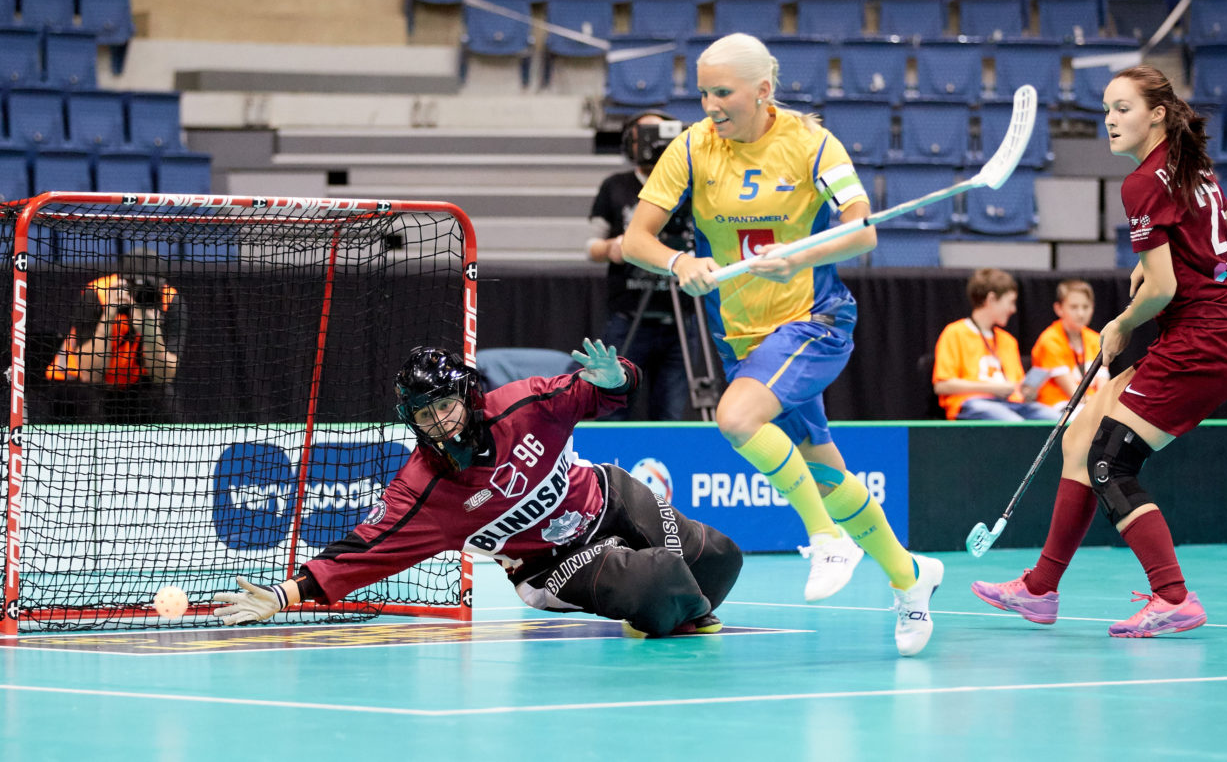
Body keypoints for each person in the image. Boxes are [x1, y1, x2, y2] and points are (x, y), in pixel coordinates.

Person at [620, 32, 942, 657]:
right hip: (742, 333)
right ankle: (910, 577)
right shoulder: (692, 146)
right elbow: (638, 240)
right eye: (703, 91)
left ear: (763, 90)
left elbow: (861, 233)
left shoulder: (812, 143)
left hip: (813, 320)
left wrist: (797, 257)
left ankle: (825, 539)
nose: (710, 104)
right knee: (825, 471)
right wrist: (679, 262)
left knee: (736, 416)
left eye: (723, 92)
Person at [972, 65, 1227, 637]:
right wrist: (1154, 266)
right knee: (1079, 438)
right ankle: (1040, 589)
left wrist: (1123, 322)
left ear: (1156, 113)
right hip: (1209, 335)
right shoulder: (1192, 167)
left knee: (1110, 461)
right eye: (1105, 109)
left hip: (1200, 343)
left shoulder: (1144, 181)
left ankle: (1172, 596)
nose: (1109, 120)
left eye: (1122, 108)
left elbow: (1167, 289)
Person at [214, 340, 743, 638]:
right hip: (550, 566)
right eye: (425, 414)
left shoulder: (526, 403)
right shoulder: (422, 489)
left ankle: (664, 600)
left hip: (610, 497)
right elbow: (364, 552)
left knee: (722, 558)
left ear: (466, 397)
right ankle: (651, 599)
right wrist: (285, 596)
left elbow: (609, 390)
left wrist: (616, 376)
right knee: (659, 581)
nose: (440, 421)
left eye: (445, 405)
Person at [587, 110, 700, 421]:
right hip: (629, 314)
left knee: (671, 412)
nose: (654, 144)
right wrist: (613, 247)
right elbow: (591, 247)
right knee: (612, 403)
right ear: (630, 143)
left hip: (681, 316)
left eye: (662, 135)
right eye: (645, 136)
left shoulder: (693, 186)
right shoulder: (615, 186)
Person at [43, 247, 185, 424]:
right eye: (135, 286)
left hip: (134, 385)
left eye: (150, 286)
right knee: (89, 400)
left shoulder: (169, 299)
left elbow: (163, 376)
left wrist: (150, 331)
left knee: (165, 398)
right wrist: (108, 317)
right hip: (76, 381)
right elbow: (90, 374)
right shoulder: (97, 293)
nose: (141, 293)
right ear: (122, 280)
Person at [932, 267, 1061, 422]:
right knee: (1015, 424)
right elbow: (942, 386)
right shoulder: (954, 333)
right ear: (991, 299)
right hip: (972, 403)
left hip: (1012, 404)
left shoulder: (1008, 340)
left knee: (1058, 420)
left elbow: (1016, 386)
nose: (1013, 310)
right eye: (1010, 302)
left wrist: (1026, 391)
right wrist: (993, 388)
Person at [1028, 279, 1111, 413]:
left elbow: (1103, 387)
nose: (1080, 313)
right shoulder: (1050, 339)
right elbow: (1074, 394)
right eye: (1074, 307)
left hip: (1089, 405)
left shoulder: (1096, 339)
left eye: (1085, 307)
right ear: (1059, 308)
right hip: (1058, 406)